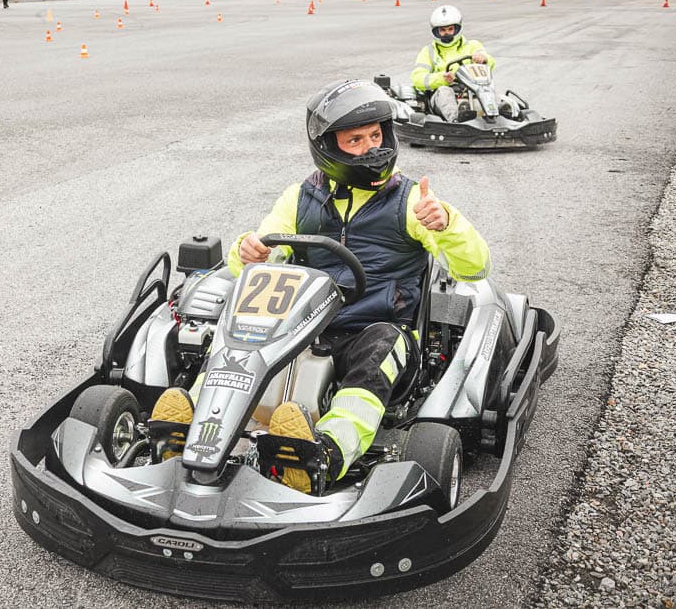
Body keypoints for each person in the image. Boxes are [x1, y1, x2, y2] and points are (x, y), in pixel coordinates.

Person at [151, 79, 491, 495]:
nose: (372, 148)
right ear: (329, 146)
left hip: (377, 328)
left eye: (375, 136)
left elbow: (474, 269)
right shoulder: (301, 197)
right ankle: (192, 430)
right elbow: (254, 260)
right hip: (304, 320)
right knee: (237, 342)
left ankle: (325, 453)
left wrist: (448, 225)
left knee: (378, 351)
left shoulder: (411, 202)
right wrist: (249, 251)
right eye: (356, 140)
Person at [411, 4, 509, 122]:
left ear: (457, 29)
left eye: (450, 29)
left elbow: (490, 63)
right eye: (443, 30)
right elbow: (417, 78)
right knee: (444, 91)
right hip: (442, 94)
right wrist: (442, 78)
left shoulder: (473, 45)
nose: (447, 33)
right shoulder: (428, 51)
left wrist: (484, 59)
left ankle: (500, 114)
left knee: (488, 88)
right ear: (436, 31)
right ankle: (456, 119)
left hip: (472, 90)